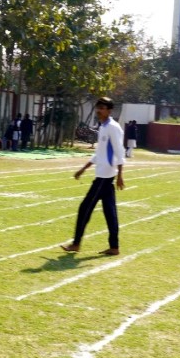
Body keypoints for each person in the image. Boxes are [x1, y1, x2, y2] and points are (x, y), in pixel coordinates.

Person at [61, 97, 125, 256]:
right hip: (103, 176)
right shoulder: (103, 127)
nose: (98, 111)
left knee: (84, 209)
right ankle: (114, 247)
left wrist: (120, 175)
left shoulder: (113, 127)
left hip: (104, 177)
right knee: (110, 212)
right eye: (98, 108)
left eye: (102, 108)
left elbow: (119, 151)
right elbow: (99, 154)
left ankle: (76, 243)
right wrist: (83, 169)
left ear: (109, 110)